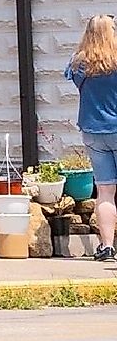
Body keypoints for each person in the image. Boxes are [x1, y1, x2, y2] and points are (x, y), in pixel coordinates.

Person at [68, 14, 117, 261]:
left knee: (105, 191)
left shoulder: (78, 64)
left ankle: (106, 247)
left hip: (93, 132)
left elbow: (76, 83)